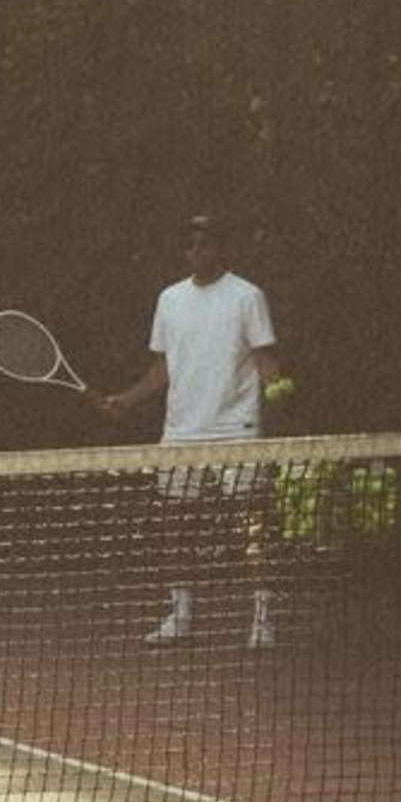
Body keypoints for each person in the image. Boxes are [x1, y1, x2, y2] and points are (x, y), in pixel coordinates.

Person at [98, 214, 286, 647]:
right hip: (181, 430)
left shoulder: (247, 297)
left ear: (222, 248)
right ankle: (180, 614)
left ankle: (262, 618)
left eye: (205, 243)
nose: (197, 251)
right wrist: (127, 399)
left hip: (236, 428)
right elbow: (164, 367)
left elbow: (264, 358)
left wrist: (279, 387)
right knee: (176, 525)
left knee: (251, 525)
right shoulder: (169, 300)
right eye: (190, 245)